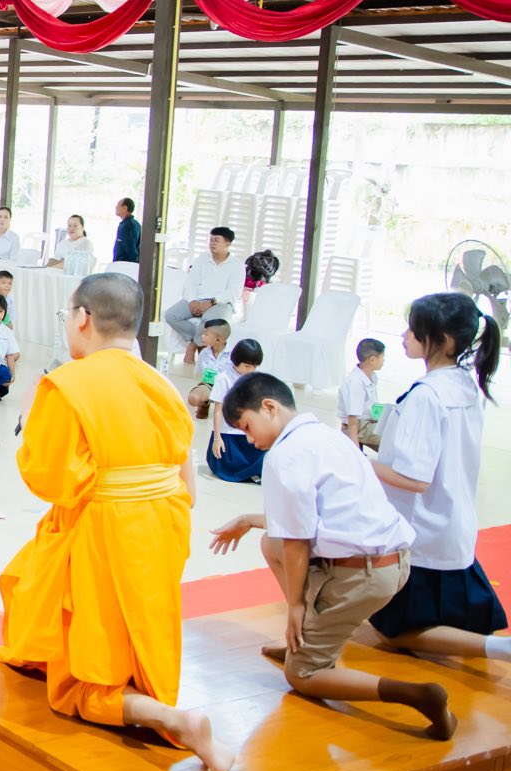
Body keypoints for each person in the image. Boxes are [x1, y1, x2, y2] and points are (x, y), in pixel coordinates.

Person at [0, 273, 233, 771]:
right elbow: (185, 476)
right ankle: (148, 689)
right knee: (139, 628)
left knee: (75, 683)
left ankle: (174, 720)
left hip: (106, 527)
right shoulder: (163, 382)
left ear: (82, 319)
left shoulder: (70, 384)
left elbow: (49, 477)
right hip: (164, 522)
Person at [208, 374, 454, 740]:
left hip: (363, 574)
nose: (249, 439)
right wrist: (247, 519)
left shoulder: (284, 455)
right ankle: (308, 638)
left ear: (269, 408)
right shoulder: (327, 436)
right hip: (396, 561)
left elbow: (297, 540)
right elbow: (306, 523)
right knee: (269, 544)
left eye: (247, 426)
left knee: (302, 675)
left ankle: (413, 695)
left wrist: (294, 606)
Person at [365, 293, 511, 670]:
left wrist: (359, 461)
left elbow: (414, 479)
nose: (404, 335)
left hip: (422, 532)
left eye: (415, 329)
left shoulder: (428, 396)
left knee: (391, 630)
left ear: (443, 340)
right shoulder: (466, 384)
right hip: (453, 521)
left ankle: (501, 652)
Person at [166, 227, 242, 361]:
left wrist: (212, 302)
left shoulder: (236, 265)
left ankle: (193, 346)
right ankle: (197, 340)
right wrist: (192, 300)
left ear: (227, 244)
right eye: (211, 240)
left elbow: (233, 293)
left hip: (220, 303)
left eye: (216, 240)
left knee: (208, 321)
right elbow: (191, 282)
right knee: (171, 315)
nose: (212, 243)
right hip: (198, 299)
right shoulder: (202, 258)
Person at [205, 339, 267, 483]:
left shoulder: (256, 378)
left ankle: (252, 472)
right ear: (236, 361)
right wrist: (217, 437)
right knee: (226, 464)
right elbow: (218, 410)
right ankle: (250, 473)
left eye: (254, 366)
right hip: (229, 433)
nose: (250, 370)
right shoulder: (223, 379)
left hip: (249, 432)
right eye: (246, 366)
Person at [339, 337, 387, 451]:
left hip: (369, 422)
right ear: (372, 360)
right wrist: (355, 449)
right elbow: (352, 420)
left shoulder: (372, 377)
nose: (384, 361)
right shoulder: (356, 383)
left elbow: (371, 405)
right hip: (360, 427)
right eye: (382, 357)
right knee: (393, 438)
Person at [187, 318, 233, 419]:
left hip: (229, 389)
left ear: (218, 340)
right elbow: (199, 374)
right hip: (209, 385)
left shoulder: (234, 354)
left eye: (206, 334)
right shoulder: (204, 353)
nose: (202, 336)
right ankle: (204, 403)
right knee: (193, 398)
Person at [112, 198, 141, 265]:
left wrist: (132, 267)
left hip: (124, 266)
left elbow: (131, 250)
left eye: (118, 205)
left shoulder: (128, 226)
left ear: (125, 208)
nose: (116, 207)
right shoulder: (129, 224)